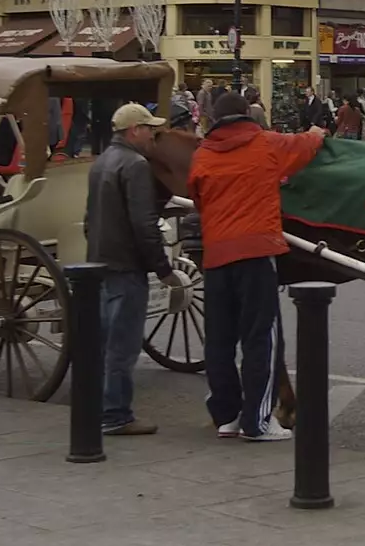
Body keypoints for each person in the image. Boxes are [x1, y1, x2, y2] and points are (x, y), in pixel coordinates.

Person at [188, 92, 327, 442]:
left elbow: (197, 197)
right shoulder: (265, 143)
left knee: (219, 340)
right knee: (260, 338)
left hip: (217, 255)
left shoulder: (203, 154)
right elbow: (305, 146)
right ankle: (257, 421)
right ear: (246, 114)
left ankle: (227, 415)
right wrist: (318, 132)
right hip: (255, 251)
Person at [84, 103, 180, 436]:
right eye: (149, 130)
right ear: (134, 131)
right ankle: (116, 414)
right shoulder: (136, 165)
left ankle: (98, 407)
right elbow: (144, 223)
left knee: (105, 341)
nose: (153, 137)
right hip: (126, 264)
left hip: (101, 260)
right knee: (122, 346)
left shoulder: (101, 162)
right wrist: (162, 268)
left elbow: (88, 218)